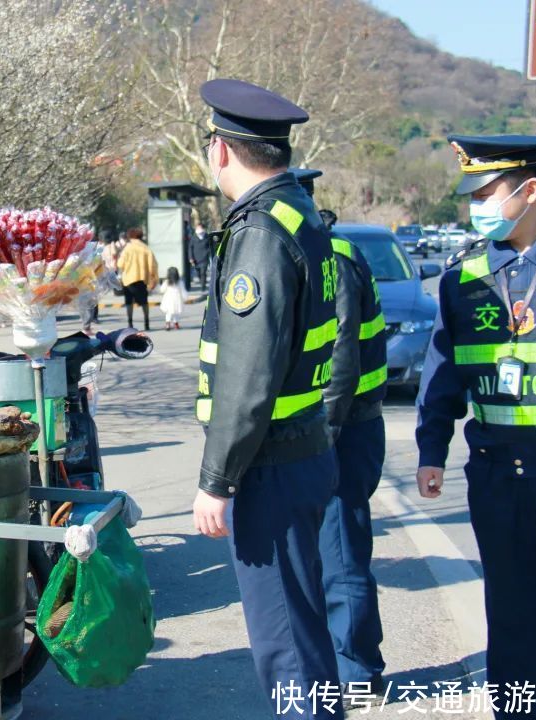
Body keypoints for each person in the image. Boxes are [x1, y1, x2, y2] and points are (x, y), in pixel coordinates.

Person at [415, 134, 536, 719]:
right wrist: (432, 446)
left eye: (485, 192)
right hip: (499, 474)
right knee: (514, 620)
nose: (473, 206)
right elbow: (443, 371)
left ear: (531, 190)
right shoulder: (465, 275)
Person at [192, 79, 341, 719]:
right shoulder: (299, 216)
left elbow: (247, 376)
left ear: (222, 151)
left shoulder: (258, 233)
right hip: (302, 448)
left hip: (269, 465)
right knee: (304, 633)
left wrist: (217, 480)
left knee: (283, 641)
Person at [295, 167, 389, 691]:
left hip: (341, 430)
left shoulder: (333, 257)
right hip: (329, 428)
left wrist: (322, 442)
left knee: (340, 554)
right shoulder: (316, 251)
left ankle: (355, 672)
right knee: (324, 553)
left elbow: (340, 358)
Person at [116, 227, 158, 331]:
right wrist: (154, 279)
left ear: (129, 236)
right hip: (142, 279)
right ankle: (146, 322)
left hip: (128, 280)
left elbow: (120, 264)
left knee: (129, 302)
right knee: (144, 302)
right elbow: (153, 265)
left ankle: (130, 323)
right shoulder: (146, 248)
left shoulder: (127, 249)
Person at [159, 266, 187, 330]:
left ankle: (167, 324)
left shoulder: (166, 282)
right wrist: (185, 298)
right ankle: (176, 324)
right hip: (177, 298)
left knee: (168, 312)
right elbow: (183, 291)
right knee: (176, 311)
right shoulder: (180, 282)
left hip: (168, 298)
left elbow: (162, 290)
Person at [189, 221, 211, 290]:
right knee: (198, 272)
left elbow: (210, 246)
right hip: (196, 258)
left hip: (205, 257)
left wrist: (208, 253)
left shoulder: (207, 236)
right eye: (198, 227)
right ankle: (202, 282)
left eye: (200, 227)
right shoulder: (193, 237)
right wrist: (191, 258)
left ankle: (203, 286)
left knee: (203, 272)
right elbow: (190, 248)